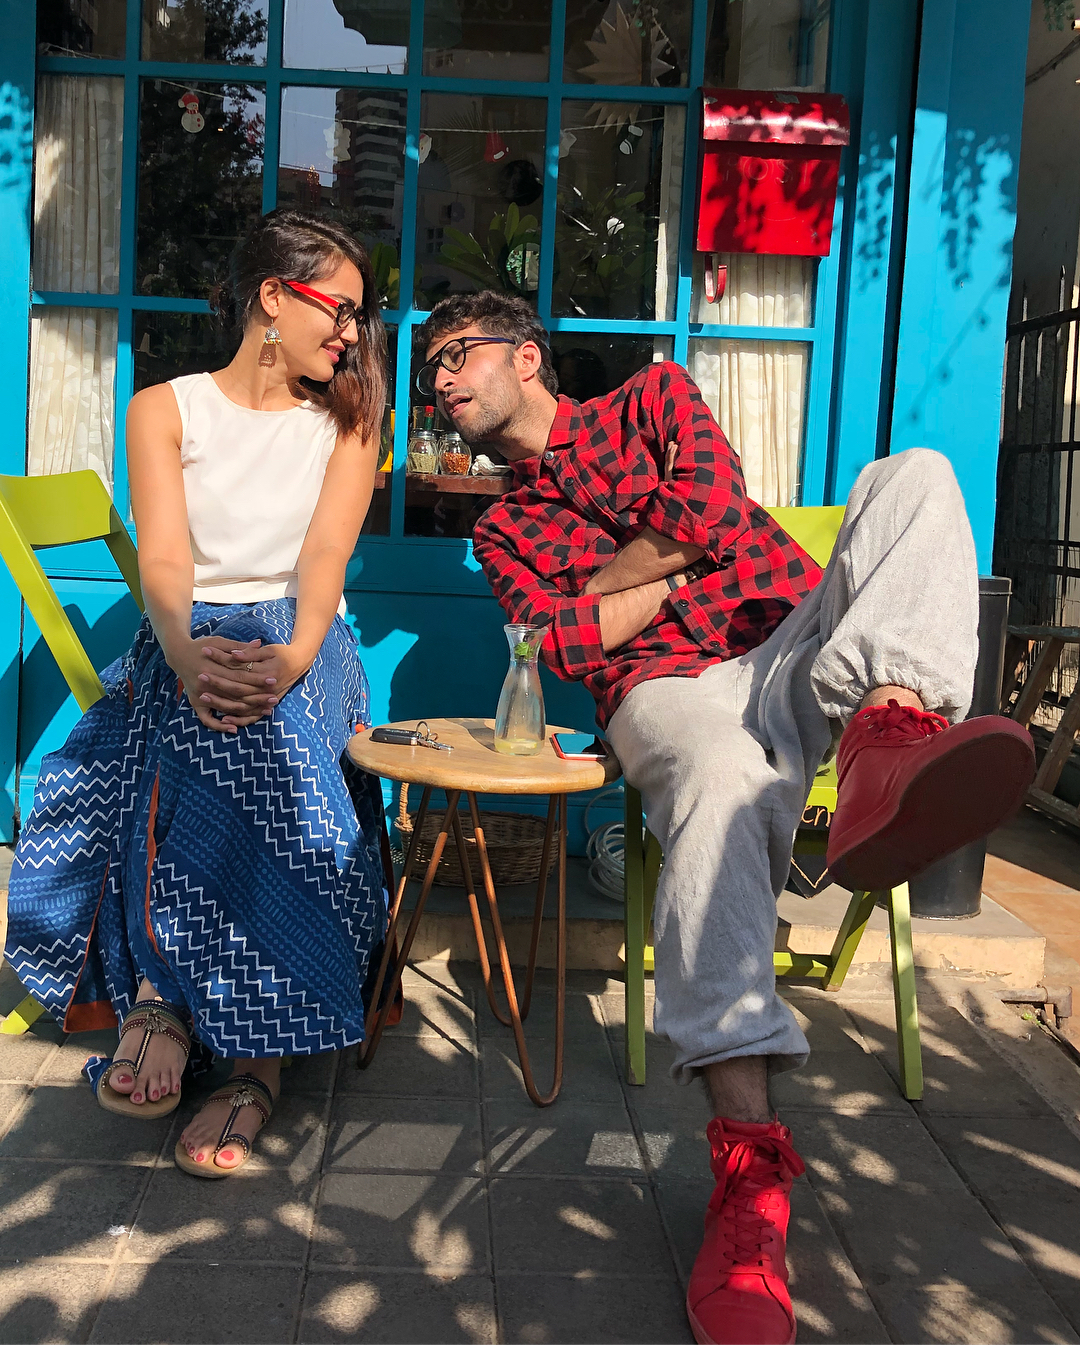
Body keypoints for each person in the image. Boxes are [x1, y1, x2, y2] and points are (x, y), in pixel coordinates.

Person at [413, 291, 1036, 1345]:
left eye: (454, 355)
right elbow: (558, 646)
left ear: (525, 357)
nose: (438, 380)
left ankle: (887, 734)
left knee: (916, 476)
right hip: (665, 692)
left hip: (793, 650)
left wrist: (616, 583)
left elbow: (702, 510)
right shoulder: (502, 529)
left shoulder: (654, 396)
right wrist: (671, 561)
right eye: (429, 369)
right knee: (714, 774)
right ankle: (749, 1176)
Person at [5, 209, 390, 1179]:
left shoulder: (347, 421)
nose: (352, 332)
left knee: (258, 733)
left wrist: (290, 658)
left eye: (360, 314)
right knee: (202, 713)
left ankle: (203, 1024)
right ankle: (193, 1011)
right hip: (186, 630)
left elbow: (324, 559)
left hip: (301, 638)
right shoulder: (163, 409)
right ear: (274, 298)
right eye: (340, 308)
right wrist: (182, 651)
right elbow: (168, 560)